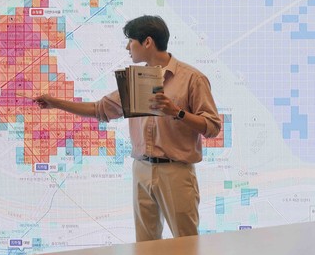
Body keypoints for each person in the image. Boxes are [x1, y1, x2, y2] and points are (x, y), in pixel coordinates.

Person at [34, 15, 221, 241]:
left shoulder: (193, 78)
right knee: (145, 246)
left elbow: (212, 127)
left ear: (147, 42)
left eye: (131, 41)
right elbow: (99, 109)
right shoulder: (135, 80)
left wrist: (177, 112)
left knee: (186, 244)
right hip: (141, 169)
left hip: (176, 171)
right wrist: (55, 103)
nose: (127, 47)